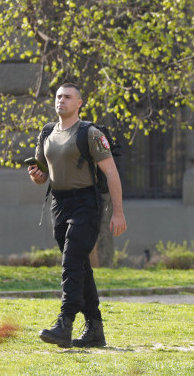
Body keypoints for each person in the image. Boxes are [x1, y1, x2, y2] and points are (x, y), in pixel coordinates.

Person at [28, 82, 127, 348]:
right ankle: (95, 329)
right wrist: (37, 176)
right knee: (79, 264)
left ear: (79, 103)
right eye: (59, 96)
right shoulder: (47, 132)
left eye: (68, 97)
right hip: (59, 203)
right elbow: (42, 176)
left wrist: (118, 212)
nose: (61, 100)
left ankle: (65, 323)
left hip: (86, 203)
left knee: (71, 260)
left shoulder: (90, 133)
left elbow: (112, 172)